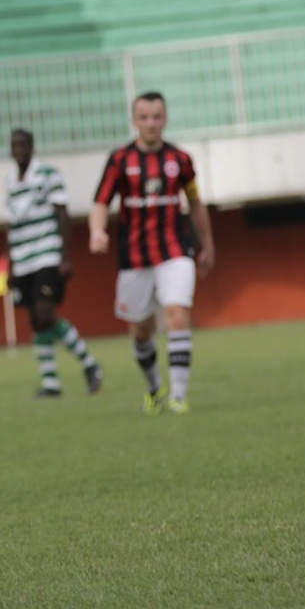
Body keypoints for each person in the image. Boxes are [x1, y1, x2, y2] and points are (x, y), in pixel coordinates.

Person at [89, 92, 215, 415]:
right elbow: (101, 202)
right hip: (133, 257)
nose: (150, 123)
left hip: (175, 250)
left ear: (165, 118)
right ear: (135, 120)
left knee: (176, 314)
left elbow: (195, 203)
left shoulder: (180, 160)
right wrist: (96, 231)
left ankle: (179, 396)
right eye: (144, 117)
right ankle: (154, 388)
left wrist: (208, 244)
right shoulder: (119, 160)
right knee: (141, 331)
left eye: (156, 117)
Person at [6, 129, 102, 398]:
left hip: (46, 254)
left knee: (45, 312)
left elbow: (62, 213)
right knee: (36, 319)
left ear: (32, 146)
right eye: (14, 145)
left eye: (23, 144)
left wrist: (65, 256)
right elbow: (11, 225)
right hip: (23, 258)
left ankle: (89, 364)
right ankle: (51, 383)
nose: (19, 149)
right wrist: (10, 265)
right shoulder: (10, 181)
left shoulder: (49, 174)